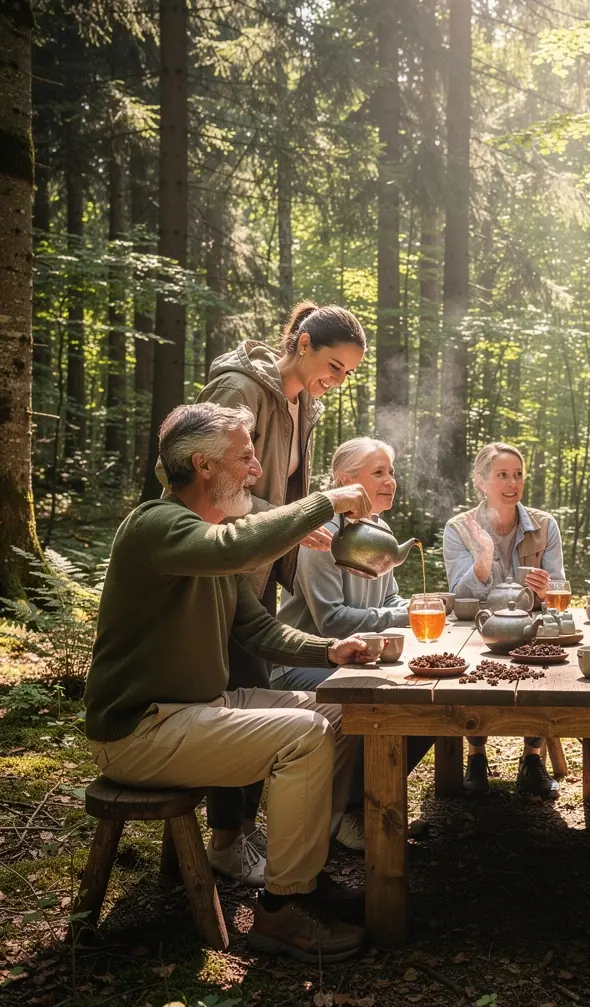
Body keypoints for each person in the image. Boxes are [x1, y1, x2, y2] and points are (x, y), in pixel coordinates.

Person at [85, 403, 379, 963]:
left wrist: (329, 649)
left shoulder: (212, 538)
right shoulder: (157, 525)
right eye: (245, 458)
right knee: (307, 736)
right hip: (139, 730)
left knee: (343, 711)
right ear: (202, 465)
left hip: (201, 708)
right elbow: (239, 548)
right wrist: (325, 502)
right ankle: (279, 913)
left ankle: (303, 877)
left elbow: (256, 627)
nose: (253, 470)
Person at [196, 301, 366, 884]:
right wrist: (291, 516)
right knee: (229, 696)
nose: (338, 382)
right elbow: (214, 480)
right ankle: (224, 837)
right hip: (220, 566)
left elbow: (279, 486)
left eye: (347, 374)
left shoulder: (301, 405)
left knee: (252, 686)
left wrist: (303, 524)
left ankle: (241, 828)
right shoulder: (240, 386)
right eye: (335, 366)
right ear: (302, 343)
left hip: (259, 565)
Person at [273, 437, 433, 851]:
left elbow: (390, 600)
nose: (391, 481)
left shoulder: (377, 530)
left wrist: (415, 605)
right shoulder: (321, 536)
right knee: (381, 701)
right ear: (346, 482)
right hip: (302, 659)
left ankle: (364, 802)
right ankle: (345, 813)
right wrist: (404, 617)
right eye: (378, 472)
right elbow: (332, 621)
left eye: (392, 472)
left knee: (431, 702)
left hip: (356, 658)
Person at [443, 442, 564, 798]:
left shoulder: (544, 525)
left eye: (518, 474)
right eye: (502, 476)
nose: (513, 483)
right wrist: (483, 558)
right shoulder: (459, 527)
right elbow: (461, 598)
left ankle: (532, 758)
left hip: (532, 626)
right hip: (480, 627)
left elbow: (558, 586)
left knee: (548, 658)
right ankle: (476, 755)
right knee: (467, 660)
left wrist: (545, 590)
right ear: (481, 482)